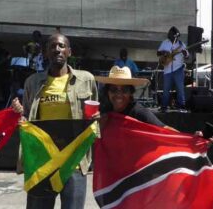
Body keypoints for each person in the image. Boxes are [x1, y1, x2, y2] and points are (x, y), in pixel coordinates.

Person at [12, 32, 98, 209]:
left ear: (69, 52)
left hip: (74, 162)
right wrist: (19, 113)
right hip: (42, 163)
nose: (57, 49)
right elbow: (27, 119)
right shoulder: (33, 82)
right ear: (45, 53)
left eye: (61, 46)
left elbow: (95, 117)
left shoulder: (86, 79)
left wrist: (96, 119)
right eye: (52, 46)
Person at [95, 66, 176, 130]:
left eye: (124, 90)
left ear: (131, 93)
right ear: (107, 92)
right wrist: (98, 126)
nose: (118, 94)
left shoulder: (139, 112)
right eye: (113, 89)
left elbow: (166, 130)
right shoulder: (103, 111)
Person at [157, 26, 189, 113]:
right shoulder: (165, 43)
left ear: (175, 35)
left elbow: (187, 56)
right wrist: (164, 53)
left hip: (178, 69)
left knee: (180, 88)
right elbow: (158, 52)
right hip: (167, 69)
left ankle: (181, 106)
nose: (169, 34)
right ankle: (164, 107)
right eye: (169, 33)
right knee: (166, 89)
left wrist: (185, 53)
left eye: (171, 33)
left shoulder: (181, 45)